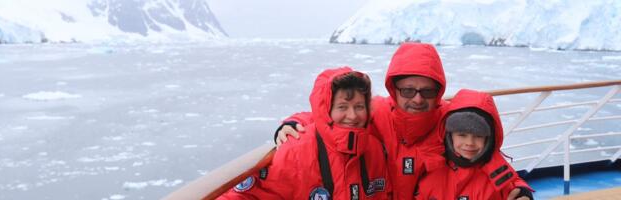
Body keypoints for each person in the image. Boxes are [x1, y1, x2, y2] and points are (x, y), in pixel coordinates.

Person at [274, 43, 532, 199]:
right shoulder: (377, 113)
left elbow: (487, 156)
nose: (418, 99)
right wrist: (293, 122)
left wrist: (520, 190)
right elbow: (333, 115)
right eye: (408, 90)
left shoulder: (449, 121)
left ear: (439, 91)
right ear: (394, 90)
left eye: (427, 91)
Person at [218, 67, 391, 199]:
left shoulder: (374, 150)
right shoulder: (296, 150)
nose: (353, 116)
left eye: (359, 106)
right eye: (342, 107)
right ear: (326, 110)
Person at [416, 89, 534, 199]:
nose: (469, 143)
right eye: (462, 135)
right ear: (449, 135)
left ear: (489, 138)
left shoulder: (496, 175)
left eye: (478, 136)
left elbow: (512, 185)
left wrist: (524, 193)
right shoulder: (430, 164)